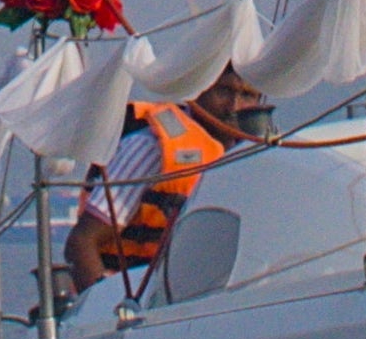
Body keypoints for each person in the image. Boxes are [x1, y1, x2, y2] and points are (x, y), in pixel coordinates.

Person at [63, 62, 262, 299]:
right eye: (223, 91)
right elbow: (82, 242)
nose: (234, 106)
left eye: (247, 95)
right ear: (198, 90)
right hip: (139, 301)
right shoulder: (151, 148)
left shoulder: (257, 159)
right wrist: (107, 310)